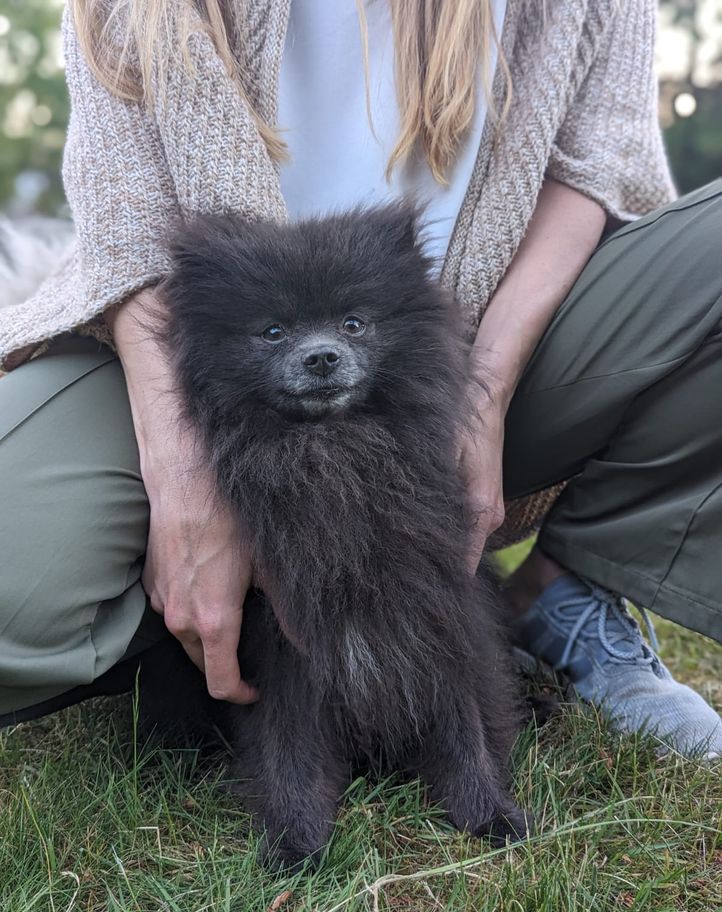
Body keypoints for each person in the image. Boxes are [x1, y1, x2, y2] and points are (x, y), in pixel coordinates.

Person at [0, 0, 720, 758]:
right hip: (196, 360)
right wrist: (183, 470)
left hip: (473, 338)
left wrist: (483, 392)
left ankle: (560, 587)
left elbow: (598, 163)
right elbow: (125, 199)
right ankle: (220, 638)